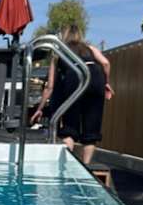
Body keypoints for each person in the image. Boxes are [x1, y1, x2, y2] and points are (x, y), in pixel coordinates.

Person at [31, 25, 114, 164]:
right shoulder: (89, 48)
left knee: (70, 128)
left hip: (74, 79)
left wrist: (40, 108)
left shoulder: (59, 52)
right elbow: (105, 63)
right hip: (95, 80)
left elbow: (50, 86)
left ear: (64, 36)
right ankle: (86, 166)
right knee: (91, 130)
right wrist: (106, 83)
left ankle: (67, 165)